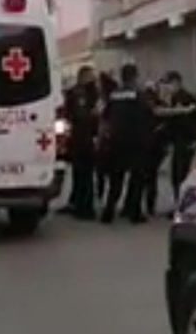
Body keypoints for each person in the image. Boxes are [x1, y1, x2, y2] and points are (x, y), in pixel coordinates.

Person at [100, 63, 153, 224]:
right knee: (137, 179)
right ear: (135, 76)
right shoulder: (139, 95)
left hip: (116, 142)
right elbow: (148, 115)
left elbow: (106, 116)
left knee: (116, 179)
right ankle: (134, 213)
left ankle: (108, 212)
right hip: (135, 142)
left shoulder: (114, 94)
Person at [60, 65, 99, 219]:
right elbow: (78, 115)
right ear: (83, 77)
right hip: (81, 139)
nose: (93, 79)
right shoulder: (79, 93)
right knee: (83, 176)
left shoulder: (92, 92)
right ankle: (83, 208)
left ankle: (80, 205)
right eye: (90, 76)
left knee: (84, 175)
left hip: (84, 139)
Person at [160, 70, 196, 204]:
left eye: (168, 83)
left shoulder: (186, 98)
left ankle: (182, 205)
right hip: (180, 141)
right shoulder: (175, 98)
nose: (166, 87)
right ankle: (179, 203)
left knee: (180, 175)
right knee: (177, 175)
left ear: (176, 82)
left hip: (185, 142)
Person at [143, 81, 170, 217]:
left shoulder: (157, 105)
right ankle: (149, 206)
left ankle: (149, 205)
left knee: (149, 176)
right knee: (149, 177)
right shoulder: (143, 105)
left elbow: (167, 126)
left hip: (153, 146)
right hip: (150, 146)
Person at [94, 71, 117, 202]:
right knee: (111, 174)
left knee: (101, 172)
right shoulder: (113, 99)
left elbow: (100, 116)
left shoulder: (105, 100)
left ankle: (102, 197)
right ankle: (108, 198)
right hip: (113, 138)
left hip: (105, 139)